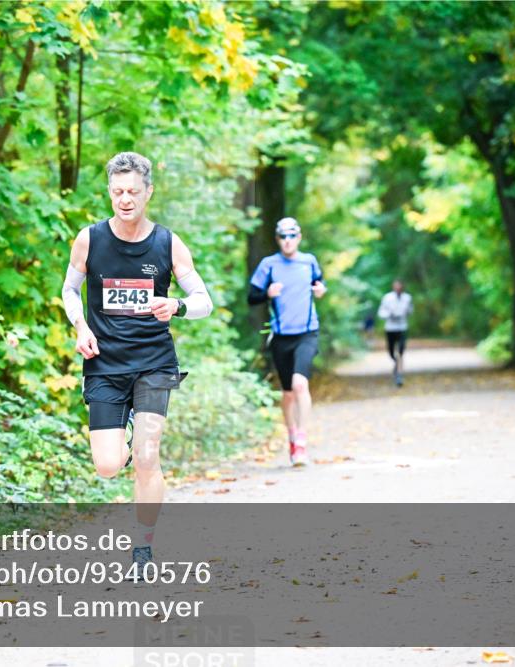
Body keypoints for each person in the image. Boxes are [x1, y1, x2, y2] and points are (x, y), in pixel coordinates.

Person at [60, 151, 213, 579]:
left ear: (148, 192)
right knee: (108, 466)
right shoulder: (89, 239)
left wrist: (176, 305)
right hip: (105, 362)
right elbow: (70, 290)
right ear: (110, 192)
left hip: (153, 361)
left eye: (132, 191)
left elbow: (205, 301)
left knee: (148, 457)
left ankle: (142, 551)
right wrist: (80, 326)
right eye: (117, 191)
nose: (125, 199)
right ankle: (121, 435)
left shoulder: (167, 243)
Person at [247, 218, 326, 466]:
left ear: (299, 237)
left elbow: (319, 283)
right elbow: (251, 297)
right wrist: (266, 294)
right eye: (283, 236)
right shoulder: (268, 265)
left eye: (292, 236)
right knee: (288, 393)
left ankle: (301, 442)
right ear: (277, 239)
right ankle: (291, 435)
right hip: (281, 336)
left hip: (307, 332)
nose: (288, 241)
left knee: (300, 384)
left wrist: (321, 290)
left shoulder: (309, 261)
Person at [377, 279, 413, 387]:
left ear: (402, 286)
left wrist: (406, 312)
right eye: (396, 286)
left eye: (399, 286)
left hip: (402, 327)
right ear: (393, 287)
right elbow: (381, 312)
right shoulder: (387, 298)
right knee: (391, 352)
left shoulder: (407, 298)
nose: (398, 287)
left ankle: (399, 375)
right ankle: (397, 364)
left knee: (401, 350)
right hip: (390, 328)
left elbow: (410, 311)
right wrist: (389, 315)